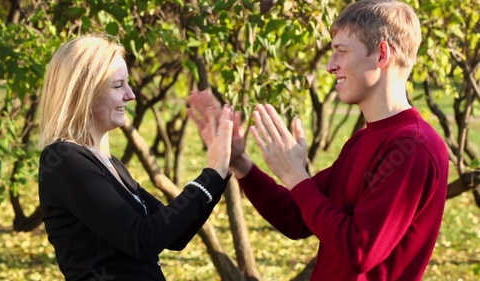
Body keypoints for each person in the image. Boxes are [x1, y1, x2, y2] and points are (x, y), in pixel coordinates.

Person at [188, 0, 449, 279]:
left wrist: (296, 176)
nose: (329, 65)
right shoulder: (362, 141)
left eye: (341, 51)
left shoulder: (413, 148)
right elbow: (295, 217)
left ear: (381, 55)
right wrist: (241, 163)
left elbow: (360, 251)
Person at [37, 35, 234, 280]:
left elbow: (174, 235)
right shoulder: (64, 160)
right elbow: (143, 239)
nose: (131, 95)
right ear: (83, 91)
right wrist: (210, 175)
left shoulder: (109, 163)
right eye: (118, 85)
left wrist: (222, 168)